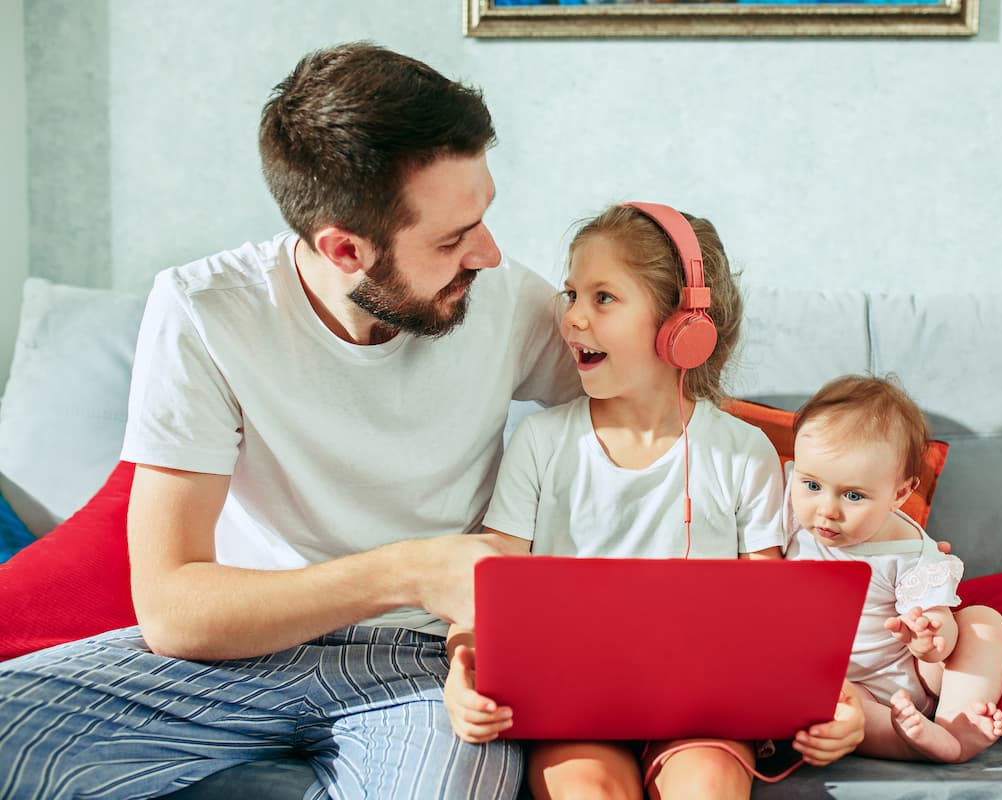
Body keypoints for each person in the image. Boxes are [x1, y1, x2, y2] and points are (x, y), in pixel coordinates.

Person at [0, 42, 582, 799]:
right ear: (343, 248)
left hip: (421, 668)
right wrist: (411, 570)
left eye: (482, 216)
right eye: (449, 240)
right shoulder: (204, 312)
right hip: (233, 658)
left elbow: (661, 426)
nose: (489, 253)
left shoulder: (506, 302)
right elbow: (173, 609)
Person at [441, 202, 868, 800]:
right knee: (588, 789)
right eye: (571, 294)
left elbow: (776, 626)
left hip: (705, 719)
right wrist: (462, 674)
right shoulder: (540, 442)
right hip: (573, 711)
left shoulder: (742, 453)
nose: (572, 320)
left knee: (708, 784)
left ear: (682, 325)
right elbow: (481, 594)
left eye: (603, 298)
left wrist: (838, 706)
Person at [785, 374, 1002, 763]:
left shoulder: (912, 554)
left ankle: (957, 724)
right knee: (821, 694)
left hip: (913, 673)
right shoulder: (788, 515)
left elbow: (941, 634)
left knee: (985, 622)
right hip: (850, 689)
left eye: (853, 495)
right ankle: (915, 743)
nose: (826, 510)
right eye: (812, 485)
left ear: (900, 494)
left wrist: (929, 640)